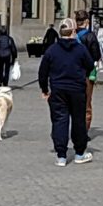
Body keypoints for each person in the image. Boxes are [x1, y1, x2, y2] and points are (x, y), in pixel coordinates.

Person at [37, 17, 95, 166]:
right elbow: (90, 65)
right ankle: (79, 153)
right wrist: (83, 74)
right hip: (77, 90)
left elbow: (42, 72)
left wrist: (45, 89)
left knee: (59, 120)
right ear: (74, 32)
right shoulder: (80, 49)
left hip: (58, 90)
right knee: (78, 121)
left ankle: (61, 155)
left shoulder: (52, 50)